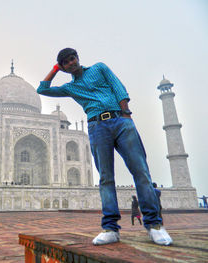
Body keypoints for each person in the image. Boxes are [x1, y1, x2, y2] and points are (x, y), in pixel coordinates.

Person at [37, 48, 172, 246]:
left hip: (120, 120)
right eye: (66, 62)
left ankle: (154, 225)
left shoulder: (99, 68)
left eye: (72, 58)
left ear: (78, 58)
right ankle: (110, 228)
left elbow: (118, 88)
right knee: (106, 178)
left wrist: (126, 114)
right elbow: (42, 89)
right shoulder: (69, 87)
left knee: (141, 172)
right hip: (97, 126)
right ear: (64, 67)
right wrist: (55, 68)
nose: (71, 62)